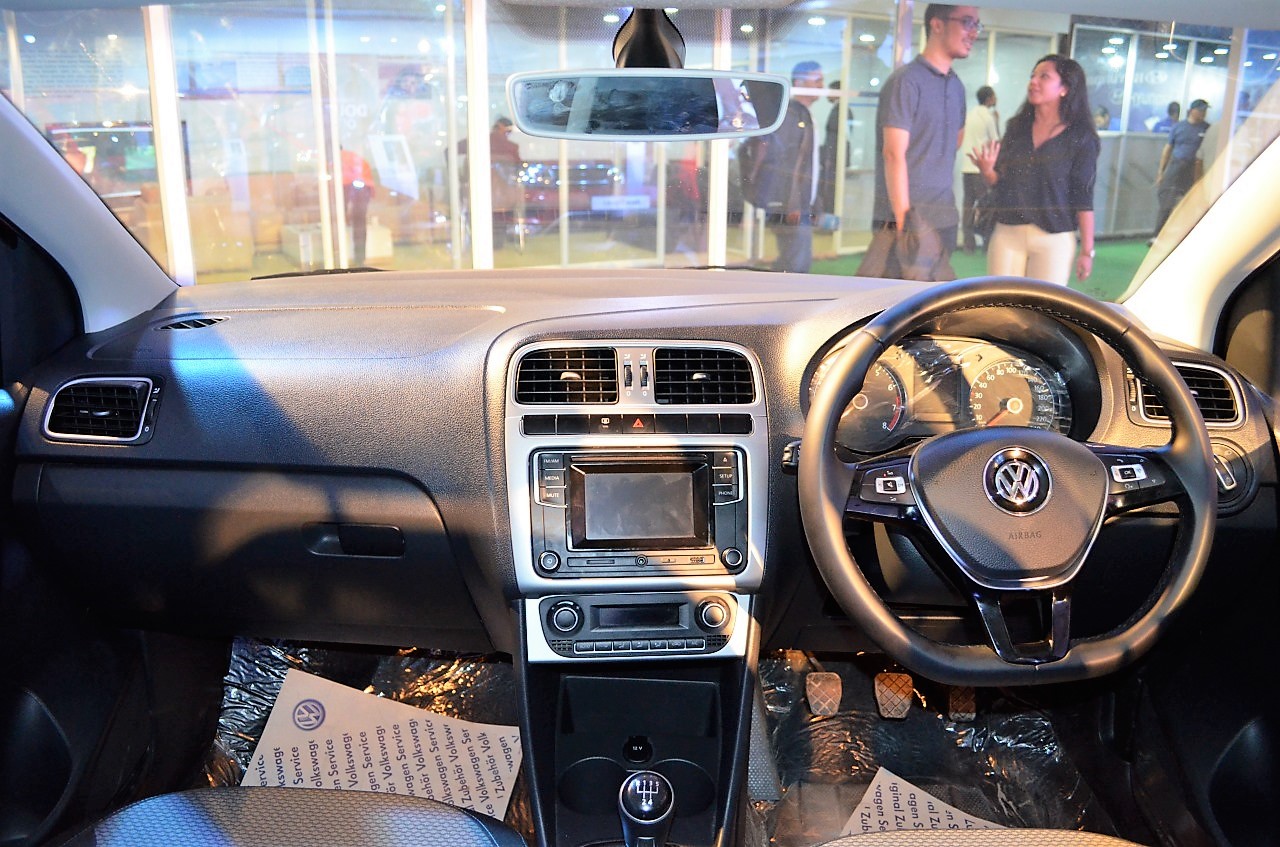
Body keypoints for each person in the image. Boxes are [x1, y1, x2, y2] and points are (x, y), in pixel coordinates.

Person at [857, 4, 979, 281]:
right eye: (967, 22)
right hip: (908, 222)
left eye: (976, 25)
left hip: (944, 217)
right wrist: (905, 224)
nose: (973, 32)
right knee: (896, 311)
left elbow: (955, 140)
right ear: (937, 24)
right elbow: (892, 153)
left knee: (933, 309)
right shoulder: (906, 81)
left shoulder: (957, 86)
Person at [968, 54, 1099, 286]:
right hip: (1007, 232)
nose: (1033, 82)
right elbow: (1000, 183)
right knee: (1000, 307)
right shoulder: (1016, 128)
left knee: (1042, 314)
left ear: (1065, 89)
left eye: (1044, 76)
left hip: (1054, 238)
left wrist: (1087, 251)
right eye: (1032, 76)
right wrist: (987, 170)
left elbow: (1083, 196)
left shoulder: (1081, 138)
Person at [745, 60, 823, 272]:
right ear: (799, 82)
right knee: (796, 265)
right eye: (818, 80)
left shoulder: (802, 115)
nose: (822, 85)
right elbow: (785, 162)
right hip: (790, 204)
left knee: (795, 261)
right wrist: (792, 204)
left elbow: (808, 165)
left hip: (797, 203)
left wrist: (815, 203)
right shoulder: (791, 116)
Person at [1153, 98, 1210, 238]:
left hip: (1194, 169)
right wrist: (1161, 172)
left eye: (1205, 111)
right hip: (1176, 166)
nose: (1203, 113)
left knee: (1193, 204)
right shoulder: (1178, 127)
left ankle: (1186, 237)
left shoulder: (1207, 128)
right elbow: (1167, 150)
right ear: (1192, 111)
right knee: (1166, 203)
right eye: (1201, 110)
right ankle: (1157, 236)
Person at [959, 84, 999, 252]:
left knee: (968, 204)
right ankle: (987, 243)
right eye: (994, 96)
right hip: (980, 169)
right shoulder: (988, 117)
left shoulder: (969, 115)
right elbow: (996, 141)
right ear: (989, 99)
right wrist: (996, 121)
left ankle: (969, 244)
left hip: (966, 167)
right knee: (986, 206)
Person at [488, 117, 522, 249]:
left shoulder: (476, 143)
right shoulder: (511, 148)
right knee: (502, 217)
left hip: (488, 196)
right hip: (506, 196)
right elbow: (518, 166)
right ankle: (499, 242)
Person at [341, 146, 375, 266]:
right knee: (359, 223)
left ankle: (359, 259)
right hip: (359, 187)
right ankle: (359, 259)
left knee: (358, 223)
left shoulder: (343, 158)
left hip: (356, 187)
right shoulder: (353, 158)